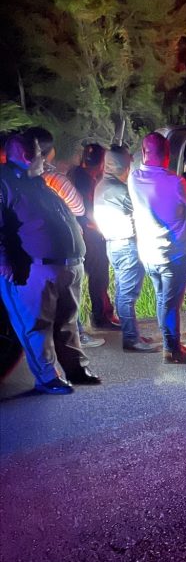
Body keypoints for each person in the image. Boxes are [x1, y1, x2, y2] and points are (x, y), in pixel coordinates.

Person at [0, 132, 101, 393]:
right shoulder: (5, 182)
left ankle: (75, 369)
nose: (44, 159)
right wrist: (5, 263)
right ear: (26, 156)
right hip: (34, 268)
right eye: (39, 153)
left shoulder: (37, 181)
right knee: (36, 326)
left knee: (67, 322)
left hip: (65, 264)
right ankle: (48, 377)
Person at [25, 126, 105, 350]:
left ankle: (43, 342)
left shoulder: (15, 177)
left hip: (30, 246)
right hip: (59, 245)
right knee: (68, 294)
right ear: (48, 152)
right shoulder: (53, 178)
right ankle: (77, 337)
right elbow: (78, 207)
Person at [128, 132, 186, 363]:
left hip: (149, 254)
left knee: (163, 299)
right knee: (170, 304)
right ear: (168, 155)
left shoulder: (133, 178)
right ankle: (172, 351)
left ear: (144, 152)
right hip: (173, 254)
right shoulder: (175, 182)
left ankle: (171, 344)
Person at [94, 146, 156, 353]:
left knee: (123, 292)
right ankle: (131, 339)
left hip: (114, 245)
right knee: (127, 296)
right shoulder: (120, 191)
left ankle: (132, 334)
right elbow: (146, 209)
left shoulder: (102, 185)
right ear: (124, 166)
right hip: (126, 245)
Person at [69, 142, 120, 330]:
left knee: (95, 277)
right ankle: (102, 317)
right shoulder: (85, 181)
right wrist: (104, 228)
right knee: (99, 277)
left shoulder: (78, 175)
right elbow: (89, 212)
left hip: (80, 233)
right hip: (89, 235)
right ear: (101, 162)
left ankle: (101, 315)